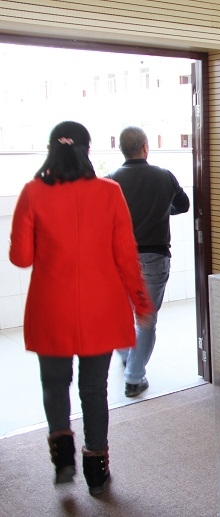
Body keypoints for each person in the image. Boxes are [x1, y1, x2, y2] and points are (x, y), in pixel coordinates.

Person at [9, 121, 153, 496]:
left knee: (54, 384)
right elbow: (126, 255)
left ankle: (63, 460)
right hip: (100, 309)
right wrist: (141, 302)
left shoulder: (32, 191)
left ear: (50, 149)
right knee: (94, 389)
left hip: (50, 308)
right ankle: (96, 470)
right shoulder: (109, 192)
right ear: (87, 150)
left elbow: (21, 258)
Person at [107, 127, 190, 398]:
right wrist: (161, 210)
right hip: (154, 258)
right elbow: (184, 205)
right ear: (145, 147)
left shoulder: (110, 181)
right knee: (146, 318)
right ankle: (134, 377)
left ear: (121, 149)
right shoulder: (164, 176)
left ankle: (127, 355)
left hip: (119, 259)